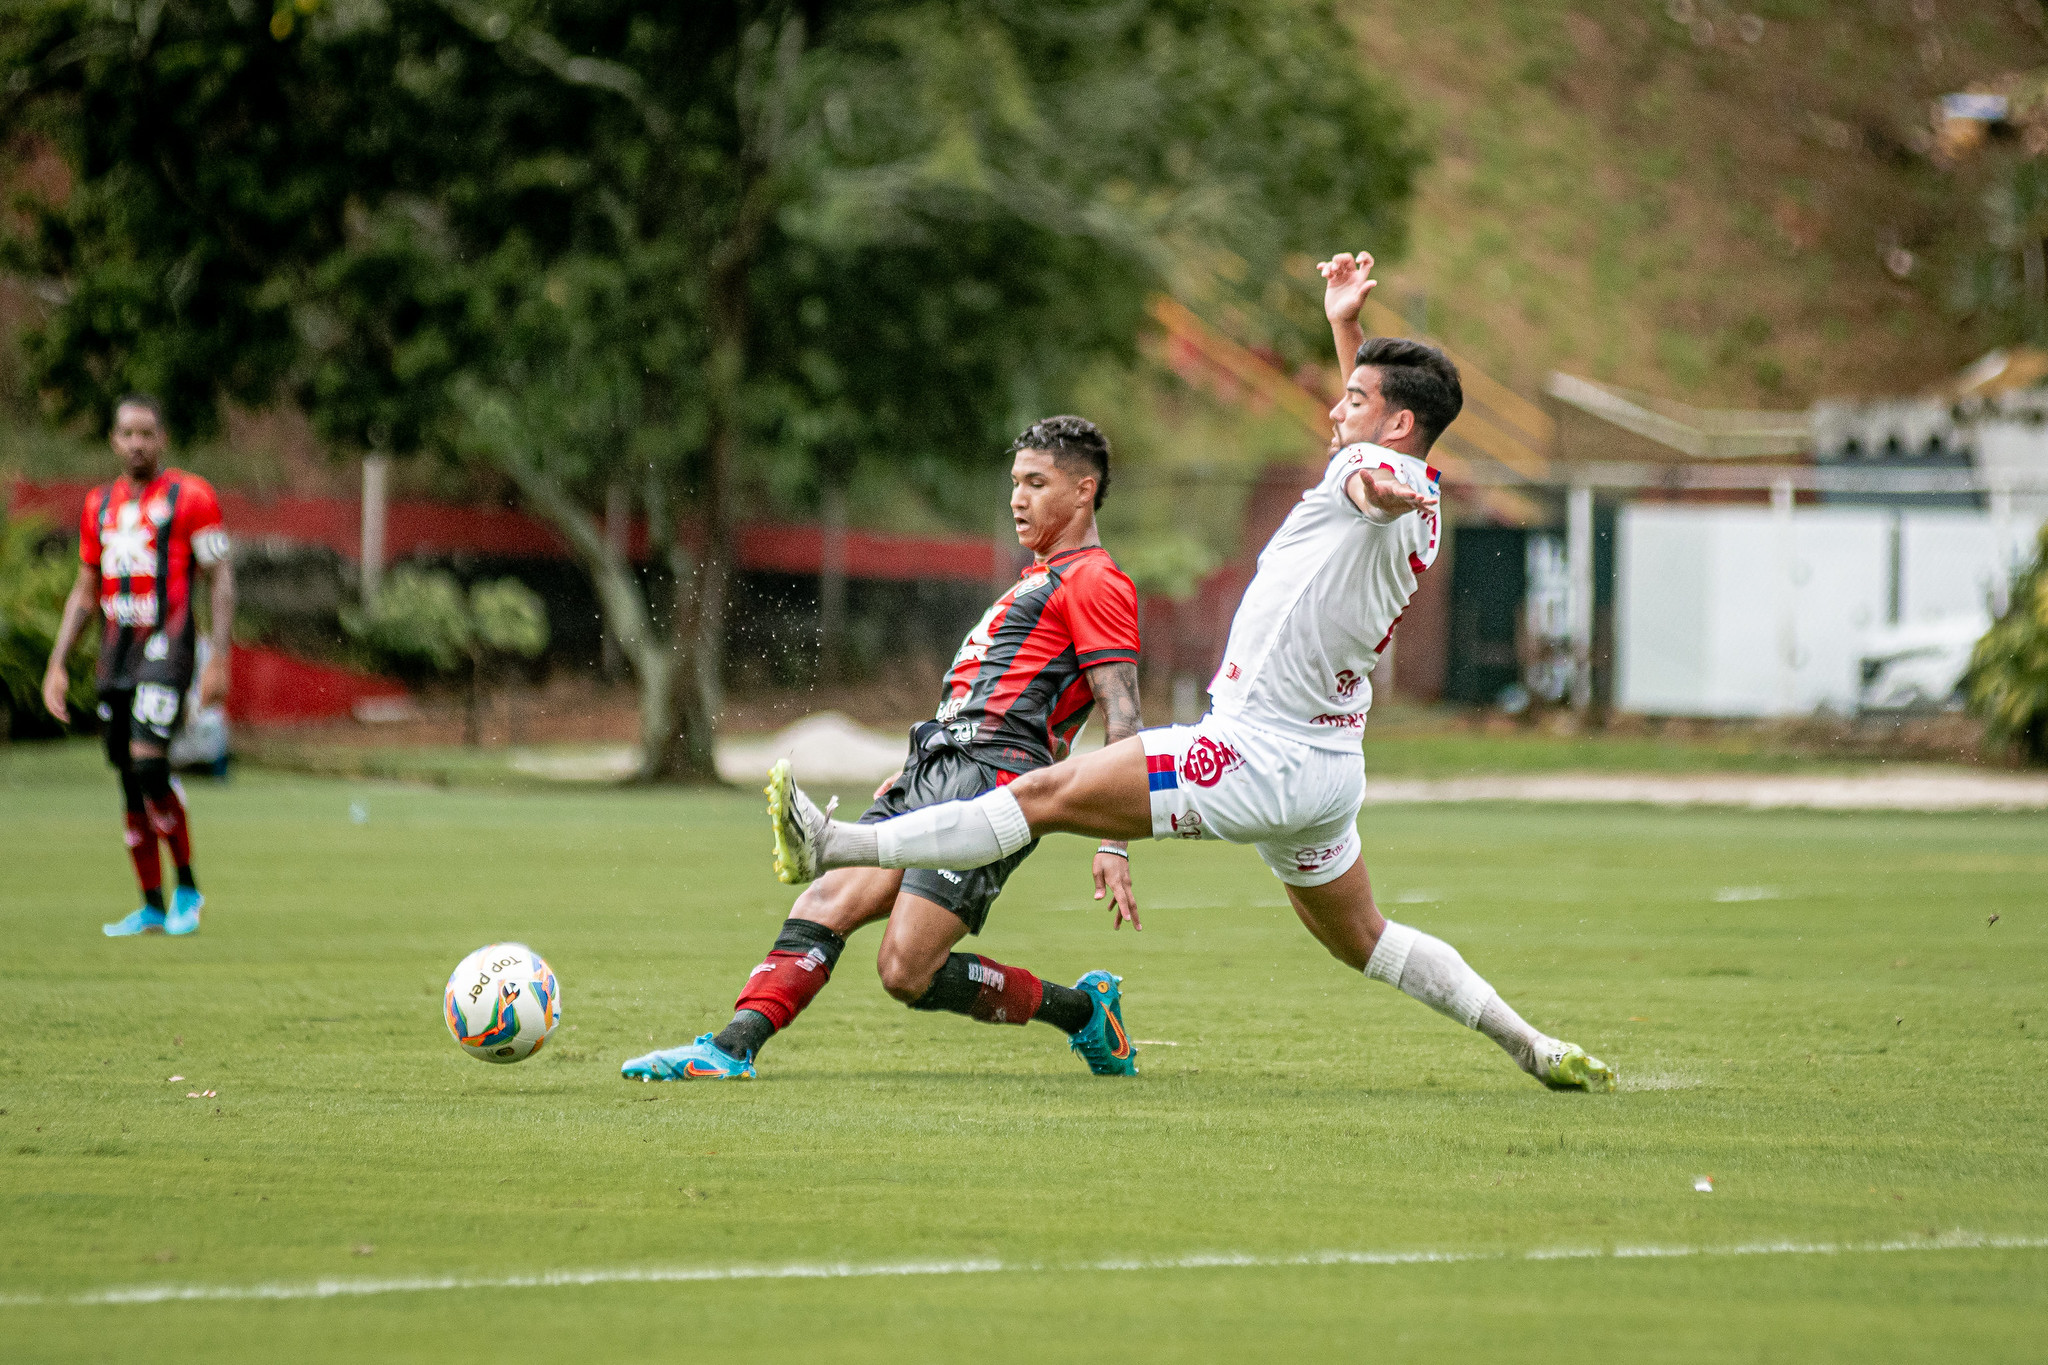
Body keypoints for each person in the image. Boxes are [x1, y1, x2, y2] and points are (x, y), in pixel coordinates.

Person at [764, 252, 1616, 1092]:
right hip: (1328, 768)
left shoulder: (1374, 474)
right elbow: (1382, 444)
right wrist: (1343, 325)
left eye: (1352, 398)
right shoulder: (1395, 471)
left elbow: (1373, 477)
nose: (1334, 406)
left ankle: (835, 844)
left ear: (1394, 427)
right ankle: (1531, 1043)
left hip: (1252, 753)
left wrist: (1394, 487)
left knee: (1038, 798)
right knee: (1366, 938)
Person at [623, 416, 1146, 1081]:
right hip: (939, 767)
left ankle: (1083, 1012)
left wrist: (1115, 840)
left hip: (997, 780)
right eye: (1015, 482)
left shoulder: (1096, 580)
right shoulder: (1036, 578)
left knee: (905, 970)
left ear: (1083, 490)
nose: (1017, 498)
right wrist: (914, 773)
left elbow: (1123, 712)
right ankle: (728, 1049)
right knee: (825, 900)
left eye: (1036, 483)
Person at [42, 395, 233, 937]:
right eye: (128, 433)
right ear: (113, 440)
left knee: (149, 763)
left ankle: (188, 891)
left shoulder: (192, 496)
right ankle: (152, 904)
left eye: (147, 433)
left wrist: (218, 656)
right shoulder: (97, 506)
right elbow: (84, 590)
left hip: (169, 648)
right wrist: (57, 663)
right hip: (115, 656)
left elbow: (221, 577)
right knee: (129, 778)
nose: (137, 443)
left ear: (162, 438)